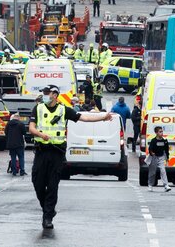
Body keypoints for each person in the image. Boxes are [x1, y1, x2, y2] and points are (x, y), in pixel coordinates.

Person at [29, 84, 113, 229]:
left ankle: (47, 217)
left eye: (47, 93)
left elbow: (84, 117)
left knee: (53, 185)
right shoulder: (38, 108)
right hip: (41, 151)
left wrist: (102, 117)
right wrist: (40, 134)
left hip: (57, 153)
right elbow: (31, 127)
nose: (44, 95)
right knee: (38, 183)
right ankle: (47, 209)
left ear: (55, 95)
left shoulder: (63, 110)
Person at [147, 127, 171, 192]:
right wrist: (152, 153)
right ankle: (150, 185)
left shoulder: (164, 141)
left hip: (161, 157)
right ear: (156, 133)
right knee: (152, 172)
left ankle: (166, 185)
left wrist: (167, 158)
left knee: (163, 171)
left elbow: (166, 150)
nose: (161, 133)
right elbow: (150, 149)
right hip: (154, 157)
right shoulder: (153, 141)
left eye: (162, 131)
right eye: (160, 132)